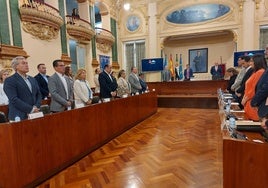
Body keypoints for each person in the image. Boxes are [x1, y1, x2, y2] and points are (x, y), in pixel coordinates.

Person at [4, 56, 42, 121]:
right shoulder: (10, 80)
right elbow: (14, 99)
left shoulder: (32, 79)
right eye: (23, 63)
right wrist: (31, 109)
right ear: (16, 66)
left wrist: (36, 106)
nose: (26, 65)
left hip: (35, 114)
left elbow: (38, 94)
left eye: (27, 63)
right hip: (19, 115)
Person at [241, 54, 267, 121]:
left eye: (252, 61)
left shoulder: (260, 72)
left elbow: (254, 89)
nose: (250, 63)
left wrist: (245, 99)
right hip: (248, 101)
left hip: (251, 102)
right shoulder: (255, 72)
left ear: (257, 61)